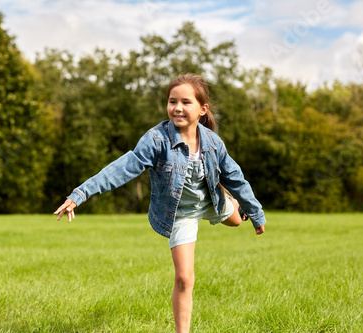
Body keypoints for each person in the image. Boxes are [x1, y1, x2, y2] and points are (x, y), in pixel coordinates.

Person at [54, 73, 266, 333]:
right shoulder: (156, 140)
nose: (177, 108)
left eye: (186, 102)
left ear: (202, 109)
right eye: (172, 101)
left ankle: (234, 206)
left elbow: (236, 177)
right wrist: (79, 194)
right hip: (179, 213)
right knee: (184, 278)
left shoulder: (213, 143)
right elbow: (123, 168)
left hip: (211, 199)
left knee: (234, 219)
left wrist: (256, 214)